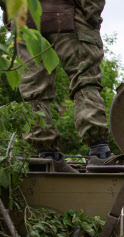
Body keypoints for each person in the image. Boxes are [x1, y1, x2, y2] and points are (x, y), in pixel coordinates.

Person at [2, 0, 112, 173]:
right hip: (69, 14)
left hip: (25, 17)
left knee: (33, 89)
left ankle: (45, 152)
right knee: (84, 79)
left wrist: (12, 13)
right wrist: (92, 17)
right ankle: (99, 152)